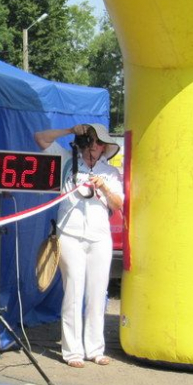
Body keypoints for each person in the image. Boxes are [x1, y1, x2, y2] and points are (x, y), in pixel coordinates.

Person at [33, 123, 124, 368]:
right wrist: (69, 131)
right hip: (70, 235)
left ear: (104, 147)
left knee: (97, 294)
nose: (91, 147)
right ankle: (72, 351)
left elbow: (118, 204)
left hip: (99, 237)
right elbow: (40, 138)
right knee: (73, 291)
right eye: (88, 141)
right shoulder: (66, 161)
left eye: (97, 143)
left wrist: (103, 186)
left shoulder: (111, 173)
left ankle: (95, 349)